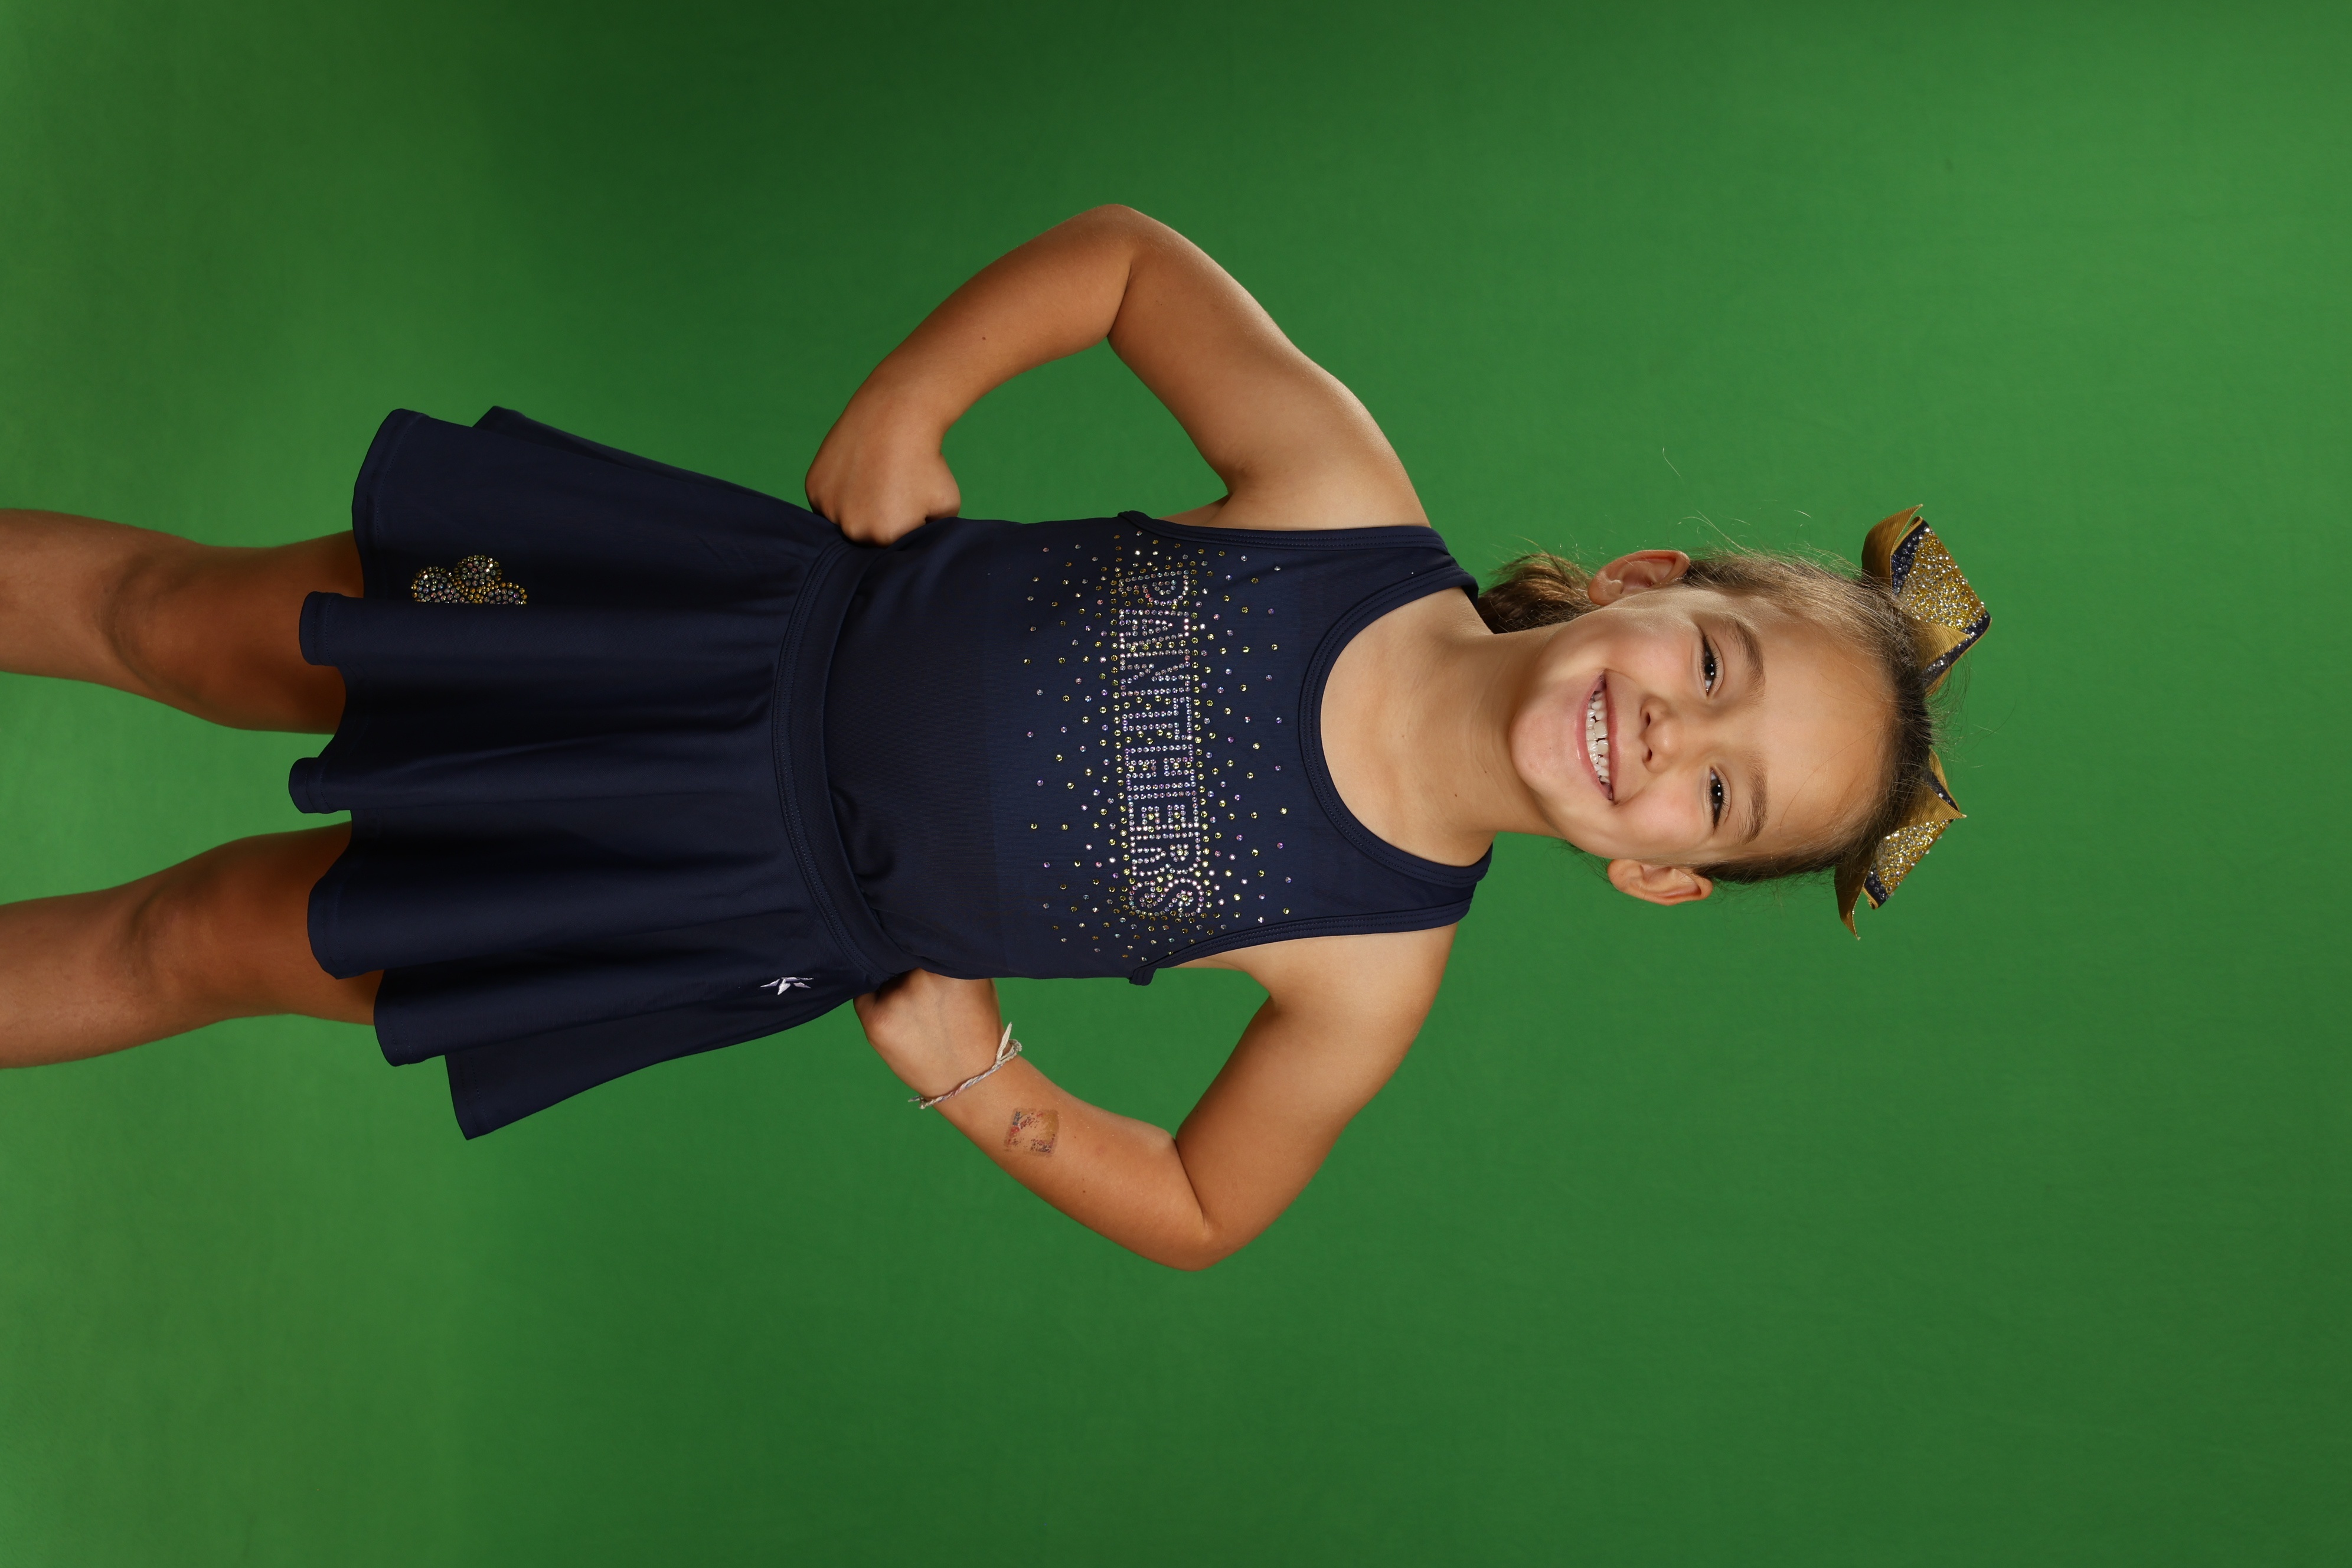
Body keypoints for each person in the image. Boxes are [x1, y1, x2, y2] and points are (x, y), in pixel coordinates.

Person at [0, 205, 1985, 1268]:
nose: (1668, 727)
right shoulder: (1340, 494)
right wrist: (914, 396)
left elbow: (1206, 1208)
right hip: (696, 620)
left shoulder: (1373, 970)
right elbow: (1128, 262)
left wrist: (988, 1086)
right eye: (1715, 658)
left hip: (708, 898)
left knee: (214, 938)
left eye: (1719, 792)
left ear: (1661, 872)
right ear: (1647, 579)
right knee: (191, 619)